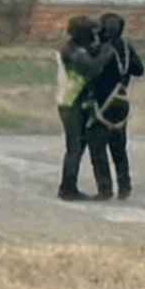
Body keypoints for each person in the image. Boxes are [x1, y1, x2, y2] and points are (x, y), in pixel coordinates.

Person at [80, 11, 145, 200]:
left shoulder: (101, 49)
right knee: (119, 148)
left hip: (101, 105)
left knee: (97, 147)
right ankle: (124, 187)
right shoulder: (126, 49)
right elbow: (139, 70)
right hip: (120, 103)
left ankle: (105, 189)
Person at [53, 15, 111, 201]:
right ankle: (67, 189)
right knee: (75, 146)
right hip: (71, 103)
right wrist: (107, 50)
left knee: (83, 144)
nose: (94, 36)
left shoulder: (78, 47)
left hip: (78, 101)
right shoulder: (72, 52)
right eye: (90, 33)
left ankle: (72, 187)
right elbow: (94, 67)